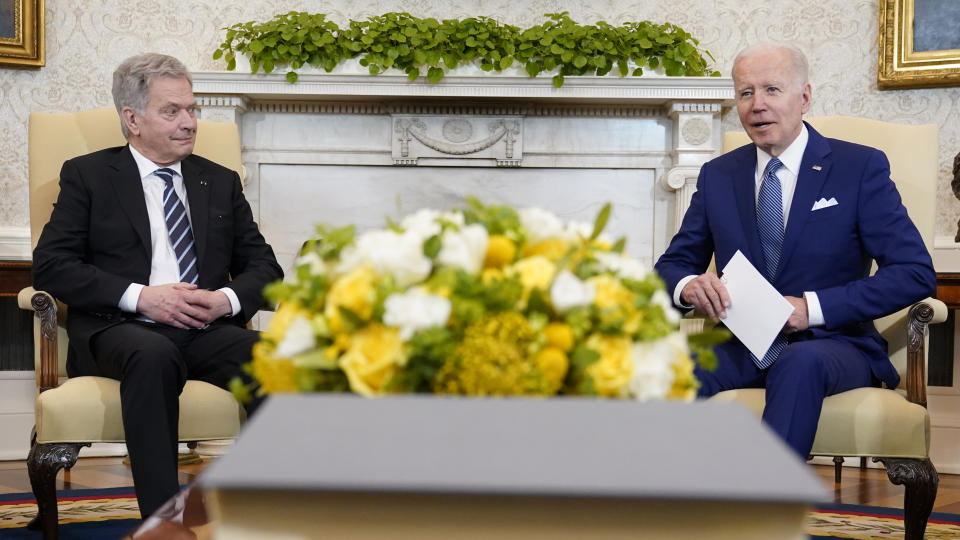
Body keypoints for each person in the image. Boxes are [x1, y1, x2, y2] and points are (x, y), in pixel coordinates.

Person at [654, 42, 936, 459]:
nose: (757, 105)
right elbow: (672, 266)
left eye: (771, 89)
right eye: (745, 93)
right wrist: (688, 286)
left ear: (804, 97)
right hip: (742, 343)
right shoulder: (717, 176)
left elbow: (914, 271)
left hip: (834, 343)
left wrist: (811, 309)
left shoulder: (858, 168)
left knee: (798, 364)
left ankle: (765, 514)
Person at [32, 53, 283, 518]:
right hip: (119, 328)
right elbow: (51, 266)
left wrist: (223, 301)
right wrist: (142, 296)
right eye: (173, 111)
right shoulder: (88, 176)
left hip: (202, 330)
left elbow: (265, 268)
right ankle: (163, 522)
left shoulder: (219, 180)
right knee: (153, 354)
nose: (190, 122)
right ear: (133, 119)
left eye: (193, 109)